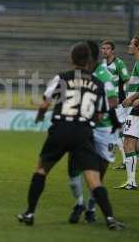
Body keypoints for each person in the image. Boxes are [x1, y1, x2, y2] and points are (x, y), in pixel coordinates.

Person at [17, 42, 125, 230]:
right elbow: (100, 113)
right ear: (89, 60)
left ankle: (29, 213)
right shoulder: (97, 83)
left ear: (72, 58)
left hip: (61, 129)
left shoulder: (62, 77)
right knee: (94, 179)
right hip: (83, 132)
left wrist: (40, 116)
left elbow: (44, 104)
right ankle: (109, 219)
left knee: (42, 169)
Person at [68, 40, 120, 224]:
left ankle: (91, 207)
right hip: (83, 127)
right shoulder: (79, 74)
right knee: (74, 166)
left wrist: (96, 112)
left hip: (105, 130)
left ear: (89, 57)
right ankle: (79, 203)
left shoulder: (104, 76)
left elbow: (113, 102)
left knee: (99, 171)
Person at [101, 40, 130, 169]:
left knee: (117, 130)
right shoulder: (101, 65)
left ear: (112, 50)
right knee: (118, 131)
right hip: (107, 102)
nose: (104, 51)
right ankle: (125, 160)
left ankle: (124, 160)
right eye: (103, 48)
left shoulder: (119, 63)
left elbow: (127, 80)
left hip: (118, 101)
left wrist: (126, 98)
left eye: (107, 48)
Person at [115, 36, 139, 190]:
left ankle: (131, 181)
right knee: (133, 143)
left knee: (128, 141)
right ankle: (131, 181)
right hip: (133, 106)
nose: (129, 46)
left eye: (131, 43)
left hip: (136, 107)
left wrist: (133, 98)